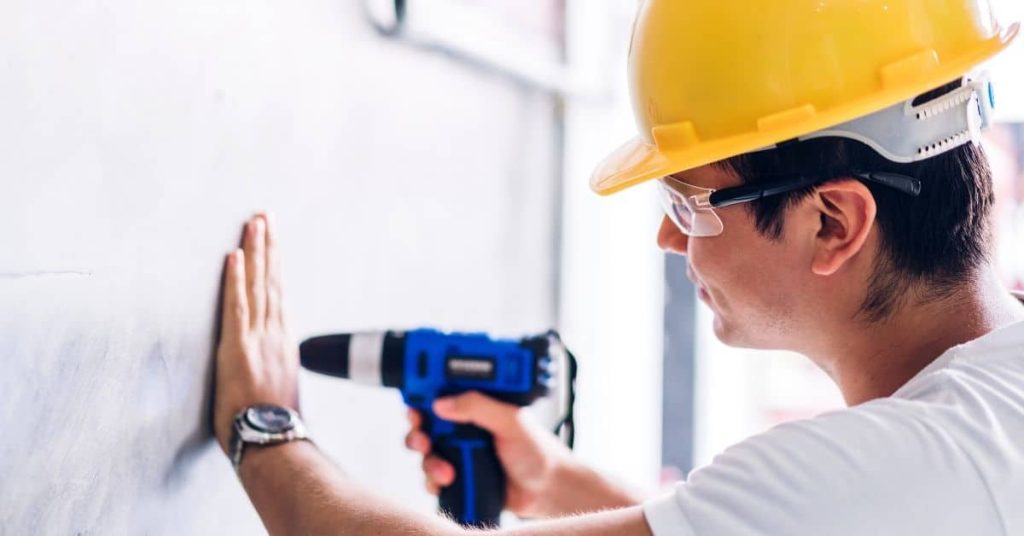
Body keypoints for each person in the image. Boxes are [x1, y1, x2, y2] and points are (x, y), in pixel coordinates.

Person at [212, 1, 1024, 534]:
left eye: (688, 205)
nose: (670, 244)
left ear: (832, 221)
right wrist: (558, 481)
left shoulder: (903, 465)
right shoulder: (985, 418)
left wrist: (264, 431)